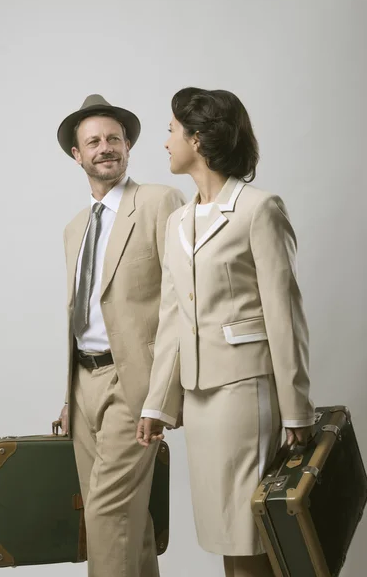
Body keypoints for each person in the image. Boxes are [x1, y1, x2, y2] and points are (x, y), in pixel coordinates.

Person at [137, 88, 315, 577]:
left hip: (245, 390)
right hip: (198, 399)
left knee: (250, 529)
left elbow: (285, 314)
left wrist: (297, 407)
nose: (166, 140)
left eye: (172, 130)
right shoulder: (178, 221)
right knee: (223, 532)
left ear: (198, 138)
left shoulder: (260, 209)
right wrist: (157, 403)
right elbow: (172, 317)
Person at [56, 94, 186, 577]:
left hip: (133, 381)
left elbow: (181, 300)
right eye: (94, 141)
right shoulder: (74, 228)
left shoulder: (157, 202)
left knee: (106, 515)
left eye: (114, 138)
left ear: (128, 144)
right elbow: (81, 315)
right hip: (83, 385)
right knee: (127, 519)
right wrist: (69, 393)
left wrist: (163, 393)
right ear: (78, 154)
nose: (105, 147)